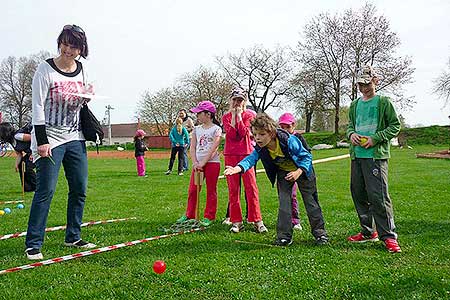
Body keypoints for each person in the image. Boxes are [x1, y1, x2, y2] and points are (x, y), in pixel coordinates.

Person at [25, 24, 96, 260]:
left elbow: (81, 103)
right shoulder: (45, 70)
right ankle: (33, 243)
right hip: (51, 140)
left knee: (79, 189)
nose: (68, 49)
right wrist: (42, 141)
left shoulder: (82, 69)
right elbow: (37, 107)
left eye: (73, 46)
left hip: (76, 137)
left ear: (81, 49)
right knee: (46, 190)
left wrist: (87, 96)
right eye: (65, 44)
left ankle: (73, 236)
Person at [224, 113, 329, 246]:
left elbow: (306, 157)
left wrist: (298, 171)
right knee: (284, 203)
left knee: (311, 202)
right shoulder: (260, 148)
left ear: (272, 133)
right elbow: (250, 159)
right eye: (255, 134)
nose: (258, 138)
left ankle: (320, 234)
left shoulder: (289, 140)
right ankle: (284, 237)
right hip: (283, 173)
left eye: (262, 134)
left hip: (302, 170)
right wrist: (237, 168)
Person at [346, 65, 402, 253]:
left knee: (379, 196)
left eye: (367, 84)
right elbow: (350, 127)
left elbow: (395, 126)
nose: (364, 88)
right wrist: (351, 134)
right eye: (361, 85)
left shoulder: (383, 102)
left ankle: (389, 236)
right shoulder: (354, 105)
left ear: (375, 81)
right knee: (358, 193)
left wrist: (375, 139)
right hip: (357, 157)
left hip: (375, 157)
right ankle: (369, 232)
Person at [222, 88, 267, 233]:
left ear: (244, 101)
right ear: (231, 100)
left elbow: (243, 134)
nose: (237, 103)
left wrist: (239, 117)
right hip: (230, 154)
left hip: (246, 154)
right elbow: (231, 134)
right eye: (235, 100)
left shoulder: (249, 116)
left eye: (240, 100)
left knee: (251, 188)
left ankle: (257, 220)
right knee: (233, 190)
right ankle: (236, 221)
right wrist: (234, 117)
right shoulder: (226, 117)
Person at [176, 101, 222, 226]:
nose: (197, 116)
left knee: (211, 190)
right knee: (193, 189)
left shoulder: (216, 129)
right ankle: (189, 214)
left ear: (208, 114)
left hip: (212, 164)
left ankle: (209, 216)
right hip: (198, 165)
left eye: (199, 113)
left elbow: (214, 148)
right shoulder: (196, 129)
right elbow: (192, 147)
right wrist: (195, 162)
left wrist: (203, 162)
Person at [278, 112, 316, 231]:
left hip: (302, 171)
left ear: (293, 125)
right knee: (288, 196)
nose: (285, 130)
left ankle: (304, 223)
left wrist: (300, 169)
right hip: (286, 171)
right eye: (282, 127)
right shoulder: (279, 139)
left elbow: (307, 154)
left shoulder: (298, 137)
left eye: (288, 127)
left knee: (309, 198)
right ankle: (291, 220)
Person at [0, 122, 36, 192]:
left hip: (37, 152)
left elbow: (34, 138)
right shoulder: (12, 142)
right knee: (21, 165)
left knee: (28, 167)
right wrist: (16, 165)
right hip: (30, 154)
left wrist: (33, 152)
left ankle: (37, 187)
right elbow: (19, 154)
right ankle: (28, 188)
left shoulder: (18, 136)